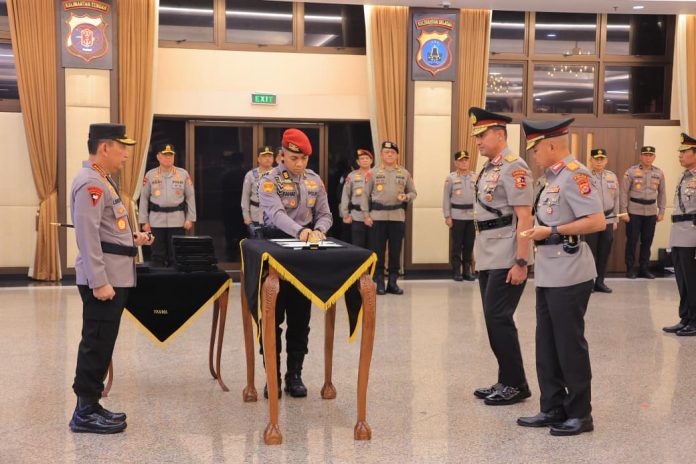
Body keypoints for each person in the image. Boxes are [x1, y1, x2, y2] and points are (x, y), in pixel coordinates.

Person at [517, 118, 605, 437]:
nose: (534, 155)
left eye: (536, 149)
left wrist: (552, 230)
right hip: (549, 270)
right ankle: (552, 406)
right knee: (547, 343)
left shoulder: (576, 175)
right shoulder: (550, 178)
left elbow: (596, 221)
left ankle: (580, 414)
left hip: (570, 271)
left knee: (569, 344)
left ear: (552, 145)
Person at [69, 123, 155, 434]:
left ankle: (92, 405)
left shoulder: (103, 180)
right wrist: (99, 281)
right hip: (104, 278)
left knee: (103, 343)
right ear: (104, 148)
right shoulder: (90, 183)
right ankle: (84, 412)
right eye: (122, 148)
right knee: (96, 343)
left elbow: (107, 230)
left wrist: (133, 239)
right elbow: (87, 236)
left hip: (115, 274)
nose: (126, 155)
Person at [258, 128, 332, 398]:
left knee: (301, 317)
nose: (299, 164)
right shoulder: (270, 180)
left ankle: (294, 375)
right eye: (293, 158)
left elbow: (325, 213)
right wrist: (300, 231)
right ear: (282, 155)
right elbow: (276, 214)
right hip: (275, 250)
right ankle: (272, 377)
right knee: (272, 318)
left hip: (304, 254)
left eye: (303, 159)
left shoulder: (314, 180)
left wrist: (319, 230)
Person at [468, 107, 533, 406]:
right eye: (477, 136)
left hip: (507, 254)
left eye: (482, 135)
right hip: (488, 252)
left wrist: (521, 261)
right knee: (493, 319)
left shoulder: (514, 167)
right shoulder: (489, 168)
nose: (478, 141)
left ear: (499, 135)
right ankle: (506, 379)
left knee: (499, 318)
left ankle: (517, 385)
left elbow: (525, 218)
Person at [362, 141, 417, 295]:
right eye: (386, 152)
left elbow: (413, 193)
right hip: (377, 217)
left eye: (392, 152)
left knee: (395, 251)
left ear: (397, 155)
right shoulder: (372, 173)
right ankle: (379, 281)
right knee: (378, 251)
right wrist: (366, 215)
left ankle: (393, 282)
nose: (390, 155)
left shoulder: (404, 173)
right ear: (381, 154)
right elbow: (365, 195)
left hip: (397, 217)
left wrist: (406, 197)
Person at [139, 144, 196, 267]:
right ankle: (158, 278)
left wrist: (190, 218)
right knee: (157, 255)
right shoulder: (150, 175)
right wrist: (144, 221)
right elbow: (144, 198)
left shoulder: (183, 174)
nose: (168, 158)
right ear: (158, 157)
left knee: (176, 255)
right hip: (156, 221)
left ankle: (174, 278)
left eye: (171, 155)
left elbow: (190, 197)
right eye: (165, 155)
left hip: (177, 220)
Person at [663, 133, 696, 336]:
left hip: (692, 236)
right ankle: (685, 317)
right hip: (678, 234)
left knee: (692, 280)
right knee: (682, 280)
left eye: (684, 152)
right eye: (679, 152)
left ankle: (695, 321)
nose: (680, 155)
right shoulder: (683, 176)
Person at [620, 146, 666, 279]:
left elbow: (662, 193)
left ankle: (644, 268)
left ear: (654, 157)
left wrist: (662, 211)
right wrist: (623, 211)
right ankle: (630, 268)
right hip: (634, 211)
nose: (648, 157)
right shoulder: (631, 171)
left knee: (647, 241)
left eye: (650, 155)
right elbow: (623, 192)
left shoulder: (659, 173)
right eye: (645, 155)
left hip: (651, 212)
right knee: (632, 241)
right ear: (641, 156)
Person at [585, 149, 619, 293]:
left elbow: (616, 198)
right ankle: (589, 283)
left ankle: (600, 282)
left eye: (602, 159)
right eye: (596, 159)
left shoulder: (612, 176)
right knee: (590, 252)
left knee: (604, 251)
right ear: (590, 160)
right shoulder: (585, 176)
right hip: (592, 218)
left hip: (608, 218)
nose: (599, 162)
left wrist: (615, 219)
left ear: (606, 161)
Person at [443, 150, 476, 281]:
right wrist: (447, 216)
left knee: (469, 244)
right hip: (457, 216)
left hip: (472, 216)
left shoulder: (475, 177)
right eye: (461, 160)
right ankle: (456, 271)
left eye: (466, 160)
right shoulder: (451, 178)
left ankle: (467, 271)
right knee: (457, 245)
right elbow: (446, 198)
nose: (464, 163)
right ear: (455, 163)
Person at [339, 148, 373, 248]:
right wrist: (345, 214)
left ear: (371, 161)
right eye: (362, 159)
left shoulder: (378, 175)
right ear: (358, 162)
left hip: (374, 216)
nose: (365, 160)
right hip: (357, 216)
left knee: (374, 247)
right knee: (358, 246)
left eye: (367, 158)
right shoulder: (352, 176)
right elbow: (345, 195)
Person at [241, 146, 274, 238]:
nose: (267, 159)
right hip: (256, 214)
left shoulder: (279, 174)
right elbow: (245, 197)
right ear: (258, 159)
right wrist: (246, 216)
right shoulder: (250, 175)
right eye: (264, 156)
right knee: (257, 242)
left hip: (274, 215)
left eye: (270, 156)